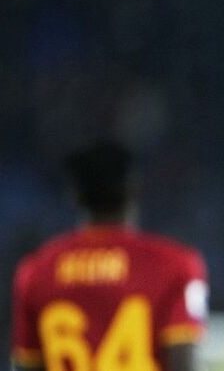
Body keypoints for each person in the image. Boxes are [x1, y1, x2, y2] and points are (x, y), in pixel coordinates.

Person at [11, 140, 209, 371]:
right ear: (134, 189)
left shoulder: (35, 272)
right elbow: (184, 362)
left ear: (75, 196)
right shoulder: (176, 265)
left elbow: (27, 365)